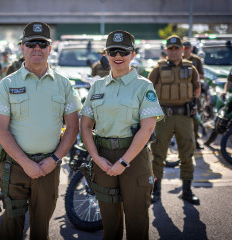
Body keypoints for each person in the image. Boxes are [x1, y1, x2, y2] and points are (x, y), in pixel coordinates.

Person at [0, 22, 81, 240]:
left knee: (41, 227)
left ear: (50, 49)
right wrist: (25, 162)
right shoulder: (7, 84)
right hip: (15, 166)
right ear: (22, 48)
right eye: (31, 43)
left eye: (43, 43)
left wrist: (54, 159)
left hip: (49, 166)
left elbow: (73, 127)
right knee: (11, 225)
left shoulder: (63, 84)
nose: (37, 48)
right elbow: (0, 130)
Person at [81, 30, 163, 240]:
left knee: (137, 223)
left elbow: (147, 129)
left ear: (132, 54)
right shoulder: (97, 86)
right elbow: (85, 126)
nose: (118, 56)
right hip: (103, 159)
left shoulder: (143, 86)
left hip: (133, 159)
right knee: (110, 224)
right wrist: (97, 158)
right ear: (106, 54)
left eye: (123, 52)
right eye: (113, 51)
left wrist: (124, 162)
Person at [148, 35, 201, 205]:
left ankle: (187, 191)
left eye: (176, 48)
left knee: (187, 153)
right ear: (166, 50)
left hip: (184, 117)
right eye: (170, 49)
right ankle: (155, 191)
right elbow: (148, 91)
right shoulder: (158, 69)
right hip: (163, 117)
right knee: (158, 154)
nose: (173, 52)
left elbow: (197, 89)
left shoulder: (191, 68)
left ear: (182, 50)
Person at [183, 40, 205, 150]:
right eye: (184, 48)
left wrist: (192, 74)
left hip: (193, 93)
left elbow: (202, 76)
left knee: (195, 117)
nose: (186, 50)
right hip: (180, 94)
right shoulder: (178, 59)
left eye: (188, 48)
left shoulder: (196, 60)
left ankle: (195, 139)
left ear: (191, 49)